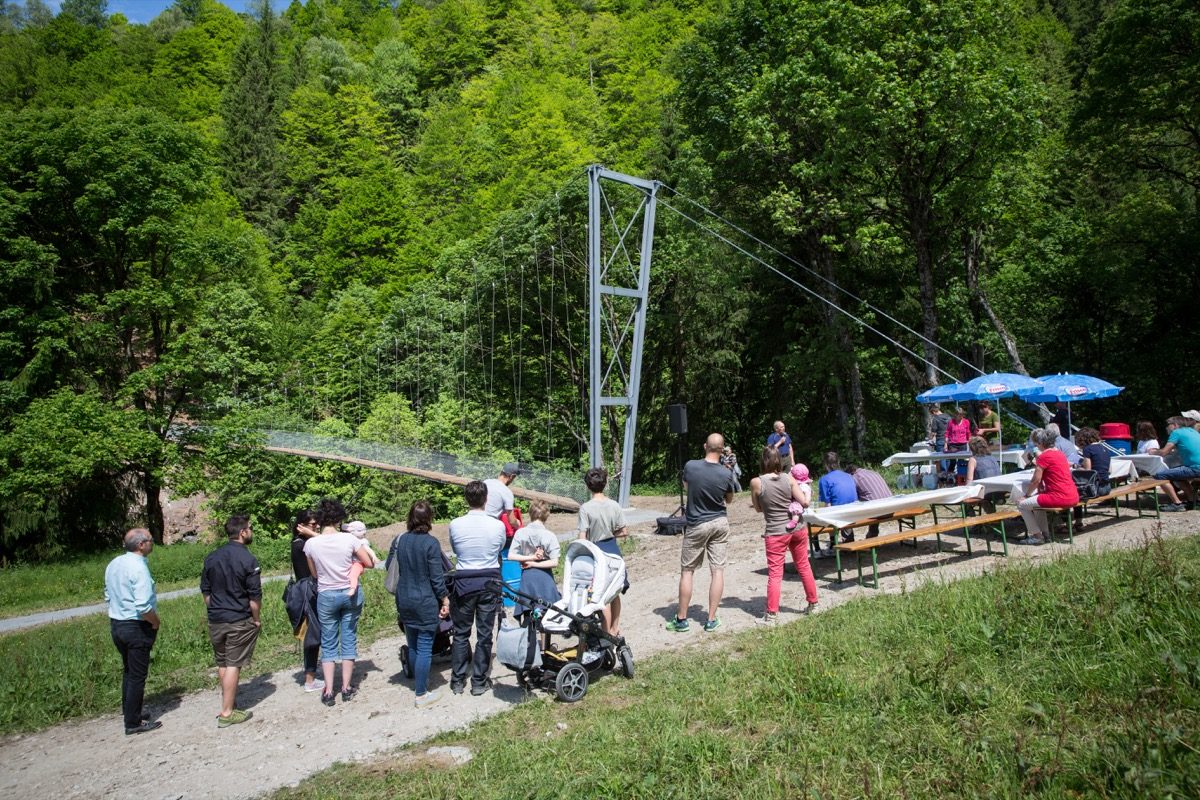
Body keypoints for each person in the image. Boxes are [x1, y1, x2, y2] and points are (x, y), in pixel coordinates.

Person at [304, 498, 374, 707]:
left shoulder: (310, 544)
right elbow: (369, 562)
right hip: (350, 594)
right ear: (339, 518)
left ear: (320, 519)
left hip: (326, 594)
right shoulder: (349, 540)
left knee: (328, 641)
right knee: (349, 637)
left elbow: (314, 573)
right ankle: (346, 687)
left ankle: (328, 690)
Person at [666, 433, 737, 633]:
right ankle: (711, 619)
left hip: (697, 524)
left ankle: (681, 620)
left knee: (687, 571)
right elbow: (729, 499)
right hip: (720, 523)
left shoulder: (690, 466)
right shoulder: (726, 473)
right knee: (717, 571)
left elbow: (687, 486)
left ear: (705, 446)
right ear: (722, 450)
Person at [201, 515, 262, 728]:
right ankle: (227, 712)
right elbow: (255, 597)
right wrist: (256, 620)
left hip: (216, 619)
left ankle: (230, 701)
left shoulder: (212, 557)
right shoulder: (248, 559)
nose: (251, 532)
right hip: (238, 618)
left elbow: (205, 592)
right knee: (234, 664)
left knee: (223, 662)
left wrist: (215, 610)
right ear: (243, 532)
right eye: (250, 528)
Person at [388, 500, 450, 708]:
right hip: (424, 599)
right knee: (424, 647)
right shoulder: (430, 543)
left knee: (412, 643)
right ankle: (421, 694)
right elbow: (436, 577)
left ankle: (419, 683)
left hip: (404, 598)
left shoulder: (402, 540)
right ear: (429, 518)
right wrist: (444, 598)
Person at [448, 480, 507, 695]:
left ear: (466, 499)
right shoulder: (497, 525)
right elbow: (500, 548)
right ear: (486, 499)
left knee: (461, 633)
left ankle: (457, 680)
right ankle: (479, 681)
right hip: (489, 581)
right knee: (484, 634)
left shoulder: (455, 524)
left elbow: (455, 550)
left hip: (464, 581)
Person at [750, 447, 818, 625]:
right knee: (803, 565)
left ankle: (771, 615)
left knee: (775, 573)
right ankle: (814, 604)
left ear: (763, 461)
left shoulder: (756, 482)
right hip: (798, 528)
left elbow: (758, 508)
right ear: (779, 460)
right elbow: (803, 501)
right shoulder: (789, 478)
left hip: (775, 531)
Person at [105, 528, 162, 735]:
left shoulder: (114, 563)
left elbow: (107, 594)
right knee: (138, 675)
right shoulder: (138, 568)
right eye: (150, 540)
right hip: (136, 625)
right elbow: (143, 606)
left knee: (129, 670)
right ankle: (133, 722)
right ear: (141, 545)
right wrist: (155, 622)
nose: (152, 543)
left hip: (117, 623)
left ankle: (130, 710)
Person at [575, 468, 627, 635]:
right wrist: (611, 533)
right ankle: (615, 628)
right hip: (613, 549)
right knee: (615, 591)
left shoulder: (586, 508)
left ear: (588, 486)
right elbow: (623, 531)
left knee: (602, 596)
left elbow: (583, 536)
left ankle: (605, 633)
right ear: (605, 484)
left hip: (596, 551)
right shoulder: (614, 505)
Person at [1012, 428, 1079, 544]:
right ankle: (1045, 534)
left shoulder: (1044, 456)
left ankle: (1037, 536)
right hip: (1072, 494)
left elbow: (1035, 480)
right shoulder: (1060, 454)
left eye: (1036, 443)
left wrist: (1026, 495)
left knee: (1021, 504)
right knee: (1036, 504)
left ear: (1041, 443)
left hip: (1059, 497)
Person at [288, 509, 323, 693]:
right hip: (309, 593)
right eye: (311, 524)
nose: (315, 527)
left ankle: (315, 673)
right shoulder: (301, 544)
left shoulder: (305, 542)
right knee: (313, 635)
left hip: (310, 592)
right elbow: (329, 543)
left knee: (317, 634)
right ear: (300, 526)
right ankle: (310, 679)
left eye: (317, 524)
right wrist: (313, 535)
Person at [510, 499, 562, 617]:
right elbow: (554, 562)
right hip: (545, 578)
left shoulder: (521, 533)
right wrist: (535, 562)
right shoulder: (550, 535)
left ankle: (529, 634)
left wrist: (528, 559)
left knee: (528, 612)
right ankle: (544, 635)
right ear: (546, 515)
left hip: (527, 578)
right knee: (546, 615)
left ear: (530, 513)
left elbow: (511, 555)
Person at [814, 451, 858, 555]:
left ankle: (833, 545)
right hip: (853, 510)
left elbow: (827, 504)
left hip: (839, 513)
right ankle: (848, 539)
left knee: (828, 513)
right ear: (838, 462)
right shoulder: (848, 476)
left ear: (825, 464)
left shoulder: (824, 480)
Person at [1153, 416, 1200, 511]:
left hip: (1195, 468)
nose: (1166, 428)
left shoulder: (1176, 432)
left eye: (1168, 425)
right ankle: (1194, 501)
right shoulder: (1193, 431)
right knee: (1178, 475)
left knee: (1159, 475)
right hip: (1195, 466)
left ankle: (1177, 504)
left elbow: (1163, 453)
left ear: (1175, 425)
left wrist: (1152, 452)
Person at [845, 463, 891, 538]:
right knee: (874, 502)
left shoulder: (854, 477)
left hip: (879, 512)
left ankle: (848, 541)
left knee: (846, 517)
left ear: (850, 473)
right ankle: (872, 535)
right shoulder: (874, 473)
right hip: (891, 508)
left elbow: (852, 498)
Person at [343, 520, 379, 598]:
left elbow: (369, 550)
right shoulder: (350, 540)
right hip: (351, 562)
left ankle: (352, 589)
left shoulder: (362, 541)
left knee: (353, 575)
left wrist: (374, 556)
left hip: (358, 563)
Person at [484, 463, 522, 537]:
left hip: (476, 520)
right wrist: (518, 524)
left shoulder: (486, 482)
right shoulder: (507, 492)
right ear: (511, 477)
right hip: (490, 527)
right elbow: (511, 521)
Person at [1076, 427, 1112, 495]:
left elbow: (1088, 471)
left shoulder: (1087, 449)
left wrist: (1077, 468)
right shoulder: (1105, 448)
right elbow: (1110, 470)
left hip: (1096, 488)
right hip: (1107, 487)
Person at [784, 462, 812, 532]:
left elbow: (808, 495)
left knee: (796, 508)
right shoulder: (799, 485)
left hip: (798, 502)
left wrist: (806, 502)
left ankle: (794, 522)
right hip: (794, 500)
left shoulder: (804, 486)